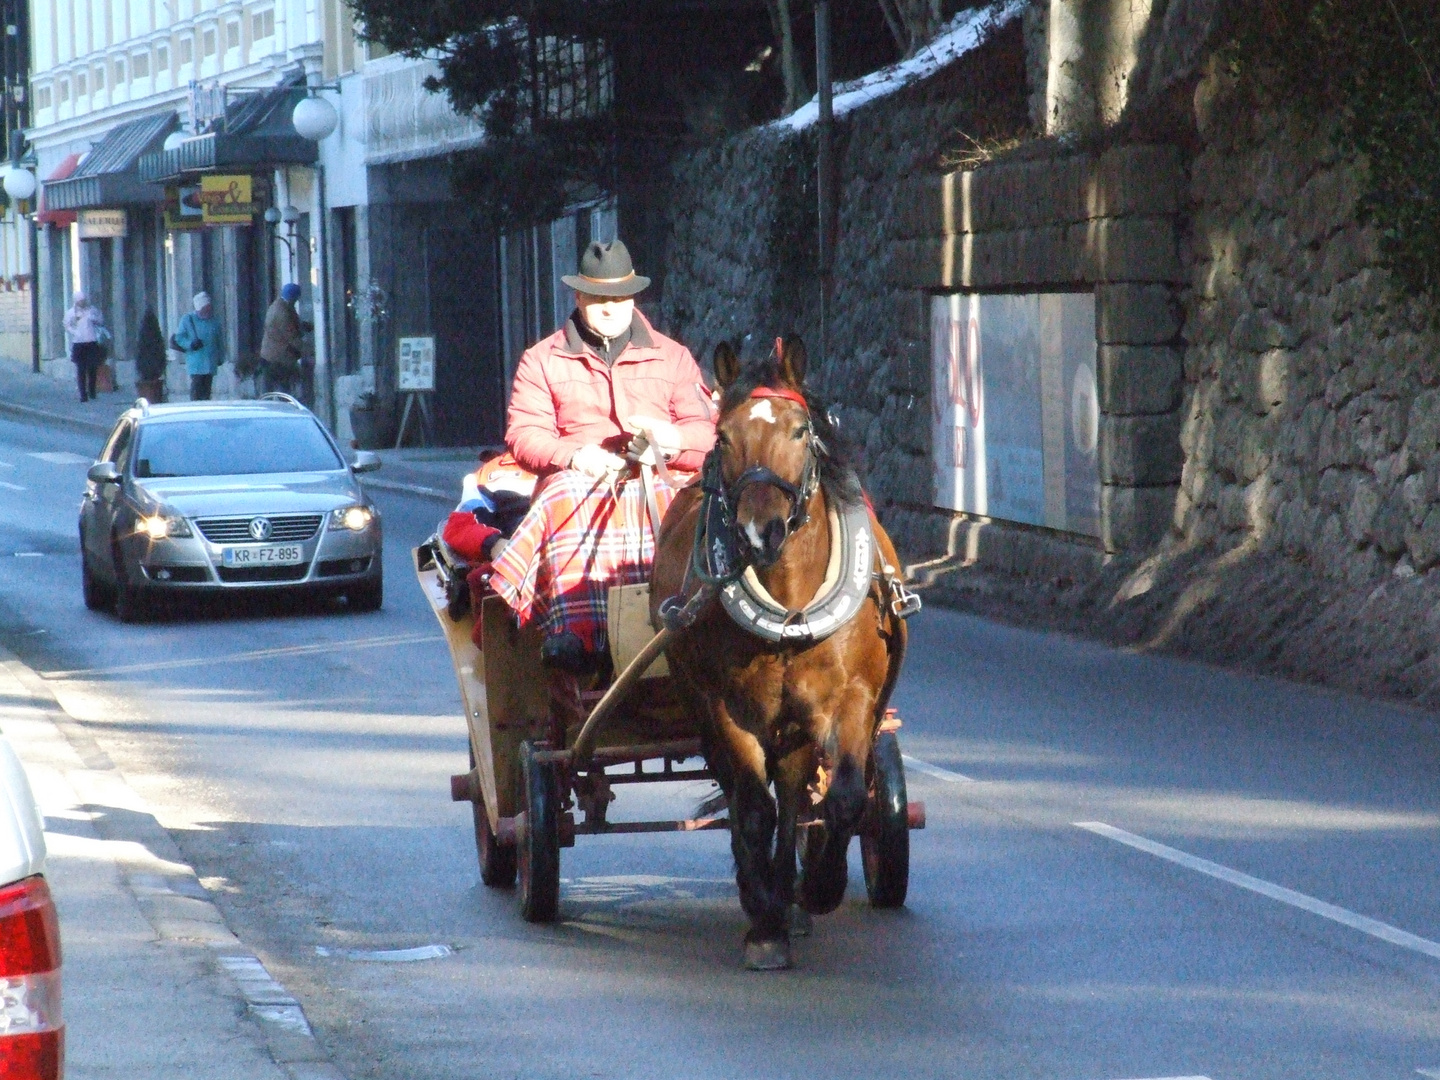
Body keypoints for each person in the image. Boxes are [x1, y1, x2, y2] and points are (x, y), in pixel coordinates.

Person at [487, 239, 716, 698]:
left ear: (633, 299)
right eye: (599, 298)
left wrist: (669, 442)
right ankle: (578, 636)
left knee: (701, 504)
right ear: (578, 298)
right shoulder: (542, 360)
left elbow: (709, 432)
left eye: (621, 297)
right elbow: (525, 434)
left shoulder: (672, 357)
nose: (611, 308)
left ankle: (702, 622)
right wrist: (575, 457)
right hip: (581, 482)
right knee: (562, 496)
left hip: (661, 476)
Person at [172, 291, 224, 401]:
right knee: (197, 391)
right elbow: (179, 338)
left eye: (209, 308)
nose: (208, 311)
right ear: (199, 308)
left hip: (210, 363)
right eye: (205, 308)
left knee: (207, 392)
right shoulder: (188, 319)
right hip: (196, 363)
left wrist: (220, 357)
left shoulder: (214, 321)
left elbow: (219, 341)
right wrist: (190, 344)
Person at [259, 282, 308, 396]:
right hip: (278, 358)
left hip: (270, 356)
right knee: (283, 391)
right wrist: (308, 350)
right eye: (297, 297)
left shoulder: (278, 305)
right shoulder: (282, 312)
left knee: (270, 390)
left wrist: (302, 326)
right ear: (293, 297)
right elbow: (291, 336)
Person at [63, 293, 106, 402]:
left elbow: (101, 321)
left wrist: (94, 318)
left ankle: (92, 391)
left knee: (92, 368)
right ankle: (83, 394)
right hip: (79, 343)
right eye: (80, 300)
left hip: (91, 341)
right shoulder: (71, 313)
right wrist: (74, 332)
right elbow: (66, 325)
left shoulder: (92, 310)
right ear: (76, 301)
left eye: (84, 300)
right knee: (81, 369)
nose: (83, 302)